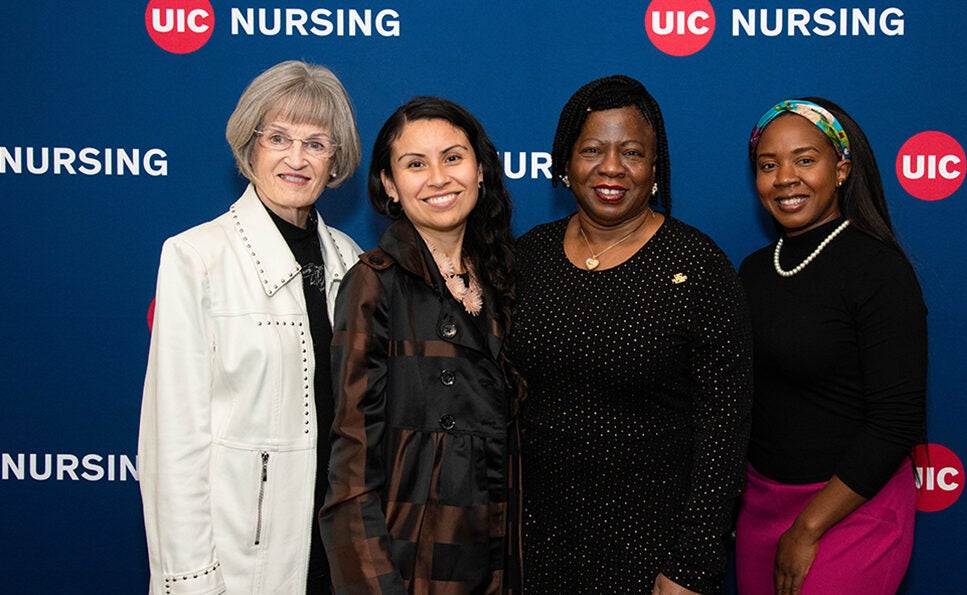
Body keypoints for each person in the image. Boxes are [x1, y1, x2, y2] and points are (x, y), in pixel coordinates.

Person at [508, 75, 753, 594]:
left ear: (655, 168)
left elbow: (724, 434)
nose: (611, 167)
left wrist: (691, 565)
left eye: (632, 152)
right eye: (592, 149)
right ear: (565, 163)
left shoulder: (698, 266)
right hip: (538, 546)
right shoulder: (529, 257)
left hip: (654, 555)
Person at [137, 60, 363, 594]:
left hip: (336, 551)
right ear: (249, 148)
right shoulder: (198, 257)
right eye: (279, 138)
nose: (297, 158)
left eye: (316, 143)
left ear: (335, 162)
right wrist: (191, 580)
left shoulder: (352, 261)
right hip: (240, 562)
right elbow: (172, 442)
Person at [319, 96, 520, 594]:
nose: (438, 178)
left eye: (452, 157)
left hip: (507, 552)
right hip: (417, 562)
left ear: (479, 170)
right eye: (415, 164)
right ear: (390, 184)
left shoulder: (508, 277)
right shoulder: (374, 284)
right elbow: (352, 467)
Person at [735, 98, 928, 595]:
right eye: (768, 165)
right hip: (761, 503)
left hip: (852, 507)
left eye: (805, 160)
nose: (785, 178)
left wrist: (807, 528)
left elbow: (896, 421)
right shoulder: (753, 271)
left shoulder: (879, 271)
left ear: (841, 170)